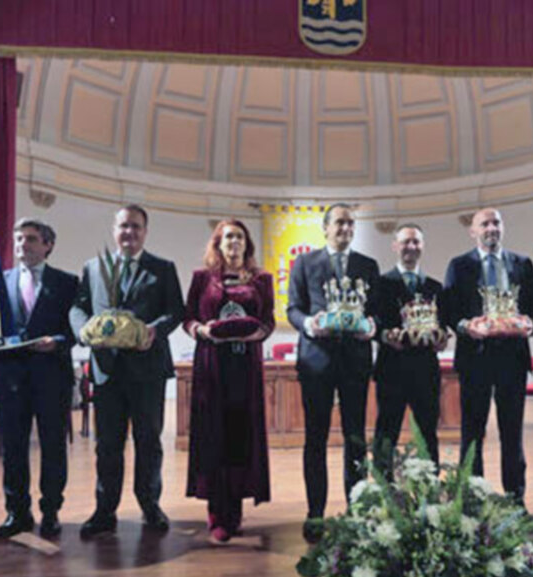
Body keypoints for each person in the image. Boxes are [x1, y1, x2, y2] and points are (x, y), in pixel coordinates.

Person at [70, 204, 184, 539]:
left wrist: (154, 330)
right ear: (114, 230)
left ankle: (150, 505)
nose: (129, 232)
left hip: (147, 370)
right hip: (106, 371)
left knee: (148, 442)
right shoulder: (92, 268)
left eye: (135, 227)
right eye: (123, 226)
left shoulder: (162, 268)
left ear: (145, 232)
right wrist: (83, 329)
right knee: (107, 445)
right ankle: (105, 511)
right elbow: (79, 307)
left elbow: (176, 310)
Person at [287, 203, 379, 543]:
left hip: (355, 361)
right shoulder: (305, 262)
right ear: (325, 228)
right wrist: (309, 324)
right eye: (339, 223)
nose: (346, 228)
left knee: (356, 438)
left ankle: (357, 511)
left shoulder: (367, 266)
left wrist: (372, 326)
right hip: (317, 362)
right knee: (316, 438)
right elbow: (292, 308)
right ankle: (315, 512)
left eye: (350, 223)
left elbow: (378, 312)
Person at [184, 220, 275, 543]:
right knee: (213, 434)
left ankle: (234, 511)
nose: (233, 242)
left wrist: (257, 333)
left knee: (239, 436)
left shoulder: (262, 279)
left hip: (245, 367)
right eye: (227, 237)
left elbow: (268, 321)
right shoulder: (202, 278)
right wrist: (203, 331)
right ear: (218, 244)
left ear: (246, 243)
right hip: (212, 366)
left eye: (239, 236)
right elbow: (189, 318)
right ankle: (215, 512)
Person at [444, 208, 533, 503]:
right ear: (473, 231)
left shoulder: (522, 263)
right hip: (476, 357)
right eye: (484, 224)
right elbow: (450, 309)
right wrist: (466, 327)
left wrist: (529, 323)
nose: (491, 228)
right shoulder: (459, 265)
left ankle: (515, 498)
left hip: (513, 358)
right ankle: (472, 497)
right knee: (472, 432)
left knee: (512, 433)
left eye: (496, 222)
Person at [0, 218, 78, 539]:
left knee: (54, 447)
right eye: (18, 239)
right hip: (9, 378)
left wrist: (57, 341)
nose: (22, 245)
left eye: (30, 239)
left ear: (48, 245)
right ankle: (17, 512)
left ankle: (51, 511)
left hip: (52, 376)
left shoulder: (68, 283)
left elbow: (77, 330)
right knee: (13, 449)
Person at [372, 224, 445, 477]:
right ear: (395, 246)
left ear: (422, 246)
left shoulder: (435, 288)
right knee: (385, 432)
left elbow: (442, 325)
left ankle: (431, 488)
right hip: (391, 369)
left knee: (427, 432)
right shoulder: (380, 283)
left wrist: (443, 337)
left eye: (416, 242)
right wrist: (385, 335)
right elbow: (374, 322)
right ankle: (383, 490)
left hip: (426, 370)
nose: (411, 247)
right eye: (405, 242)